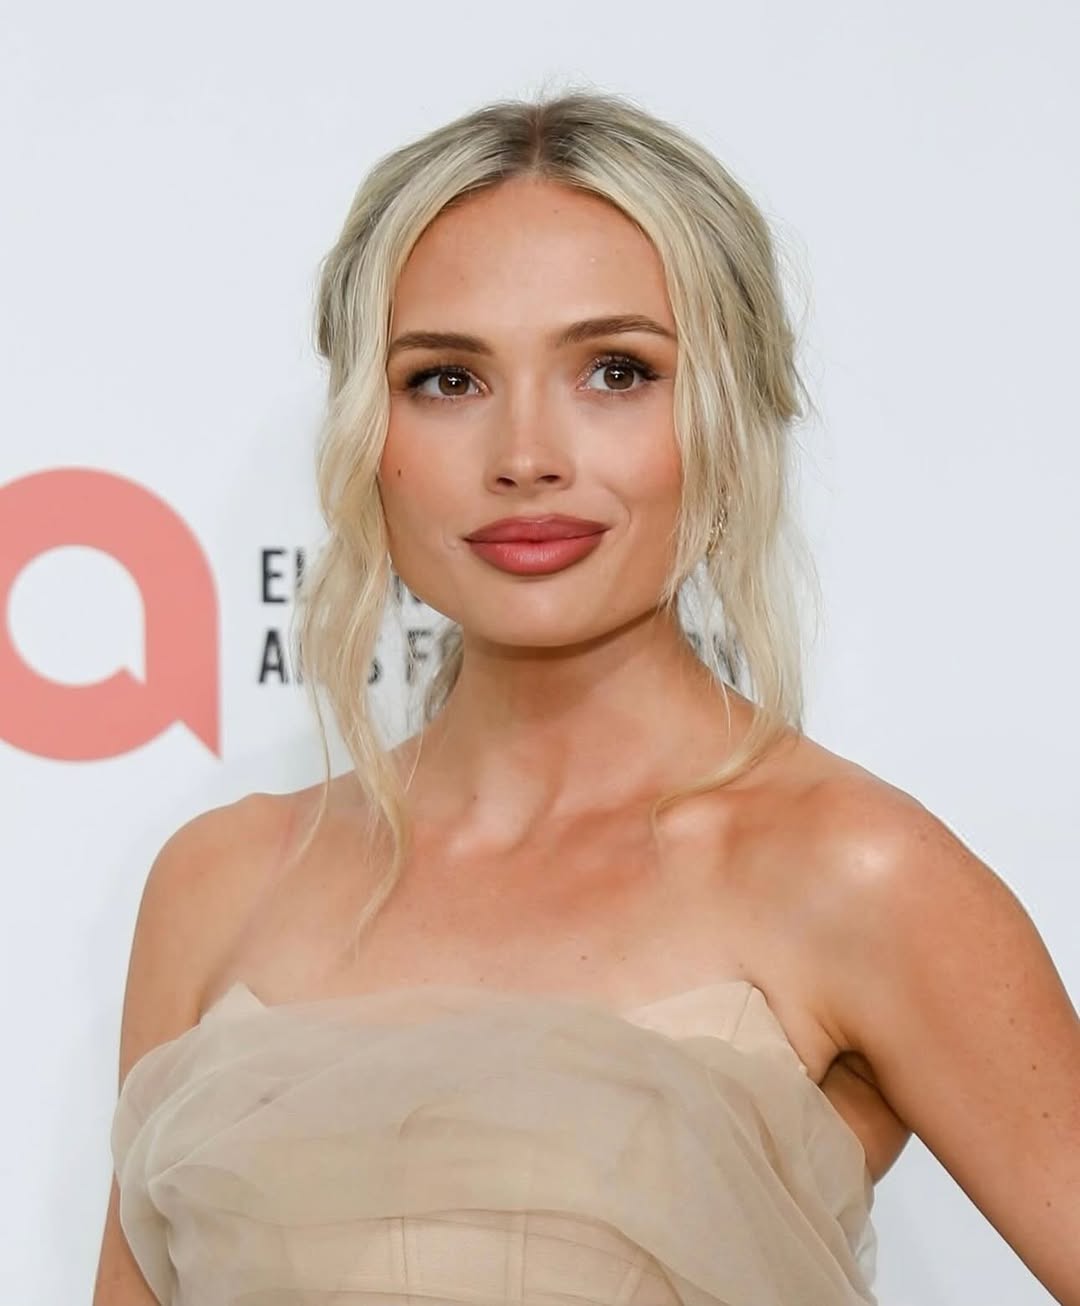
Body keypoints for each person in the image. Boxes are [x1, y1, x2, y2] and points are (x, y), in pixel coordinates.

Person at [93, 89, 1079, 1306]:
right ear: (367, 435)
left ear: (726, 421)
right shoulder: (219, 880)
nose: (526, 455)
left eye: (617, 371)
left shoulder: (854, 873)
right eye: (446, 379)